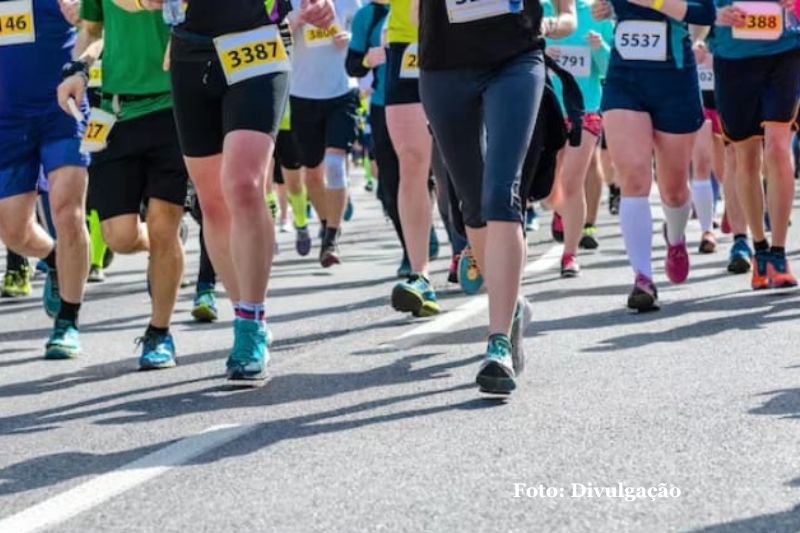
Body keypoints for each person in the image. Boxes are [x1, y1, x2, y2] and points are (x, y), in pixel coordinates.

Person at [133, 0, 335, 382]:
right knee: (213, 201)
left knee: (242, 184)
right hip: (190, 50)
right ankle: (243, 307)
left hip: (257, 40)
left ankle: (251, 324)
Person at [419, 0, 575, 393]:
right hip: (444, 64)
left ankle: (498, 343)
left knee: (501, 195)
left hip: (515, 57)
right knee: (472, 205)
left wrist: (557, 22)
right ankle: (511, 305)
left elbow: (566, 10)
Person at [59, 0, 188, 370]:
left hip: (174, 108)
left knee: (165, 224)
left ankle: (159, 332)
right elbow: (93, 31)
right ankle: (167, 244)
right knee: (118, 236)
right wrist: (80, 68)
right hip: (115, 112)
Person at [593, 0, 715, 311]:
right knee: (634, 177)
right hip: (625, 77)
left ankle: (675, 239)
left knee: (674, 190)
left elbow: (704, 12)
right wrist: (603, 8)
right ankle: (642, 278)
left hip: (674, 79)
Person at [0, 0, 91, 359]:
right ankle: (55, 258)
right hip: (7, 119)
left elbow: (96, 24)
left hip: (61, 108)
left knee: (67, 212)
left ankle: (68, 321)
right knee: (12, 232)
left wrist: (85, 13)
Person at [710, 0, 800, 289]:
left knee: (777, 146)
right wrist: (713, 15)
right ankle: (758, 248)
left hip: (785, 51)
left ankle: (779, 253)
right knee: (746, 158)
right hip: (733, 58)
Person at [287, 0, 361, 267]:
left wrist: (350, 39)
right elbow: (275, 38)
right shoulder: (289, 3)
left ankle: (331, 238)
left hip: (342, 90)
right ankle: (326, 222)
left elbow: (362, 31)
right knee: (312, 173)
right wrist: (296, 20)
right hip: (302, 94)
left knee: (334, 163)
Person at [544, 0, 614, 277]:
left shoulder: (597, 14)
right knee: (549, 190)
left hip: (585, 110)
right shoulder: (540, 12)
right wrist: (542, 53)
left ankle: (569, 254)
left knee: (573, 182)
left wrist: (599, 48)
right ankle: (564, 212)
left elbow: (609, 68)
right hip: (546, 110)